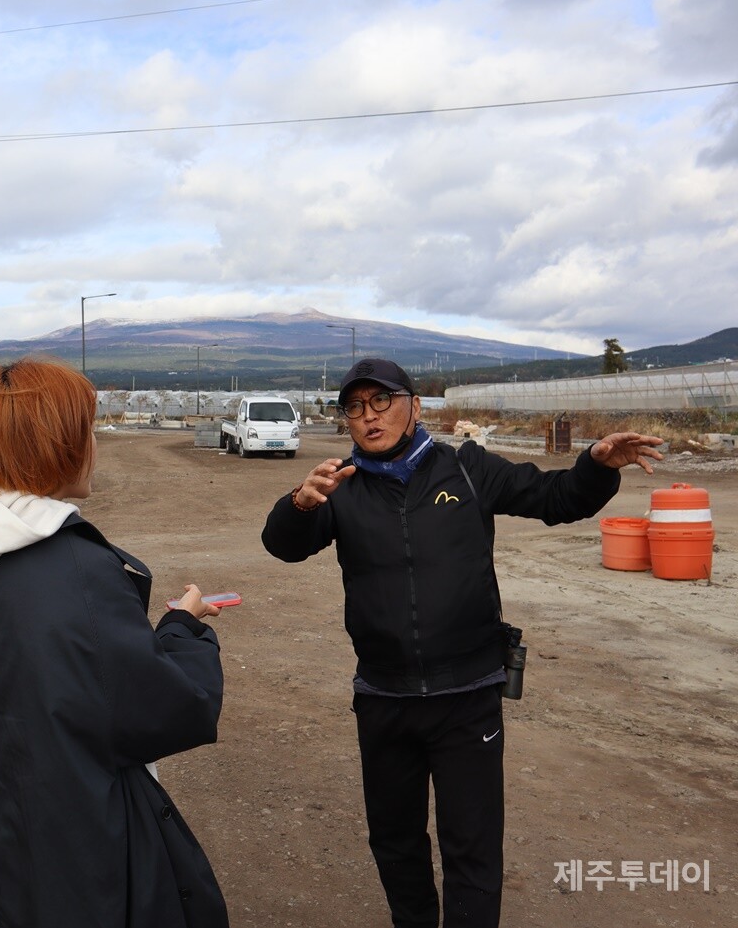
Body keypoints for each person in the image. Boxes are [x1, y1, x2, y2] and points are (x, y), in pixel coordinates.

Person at [261, 357, 663, 928]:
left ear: (414, 407)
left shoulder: (467, 469)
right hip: (384, 697)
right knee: (396, 841)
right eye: (355, 407)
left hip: (467, 695)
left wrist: (596, 465)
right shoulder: (339, 486)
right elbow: (283, 546)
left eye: (383, 402)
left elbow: (556, 498)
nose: (369, 417)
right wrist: (300, 503)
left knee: (471, 845)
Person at [0, 357, 229, 928]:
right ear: (58, 445)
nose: (93, 445)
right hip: (66, 854)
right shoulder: (76, 569)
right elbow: (170, 710)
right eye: (86, 430)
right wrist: (184, 629)